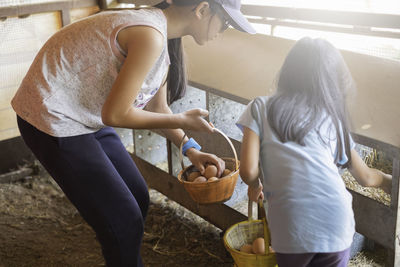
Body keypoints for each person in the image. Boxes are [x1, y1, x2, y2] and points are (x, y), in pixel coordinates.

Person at [11, 0, 256, 266]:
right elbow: (115, 115)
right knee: (122, 217)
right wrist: (182, 119)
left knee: (137, 194)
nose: (224, 30)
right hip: (52, 117)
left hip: (84, 115)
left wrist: (190, 149)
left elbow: (156, 107)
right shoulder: (149, 34)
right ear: (202, 10)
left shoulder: (163, 37)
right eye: (226, 21)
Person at [236, 37, 392, 267]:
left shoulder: (260, 106)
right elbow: (366, 177)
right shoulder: (332, 119)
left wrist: (255, 184)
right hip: (336, 223)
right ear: (331, 82)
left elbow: (248, 171)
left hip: (292, 225)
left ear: (287, 72)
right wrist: (388, 181)